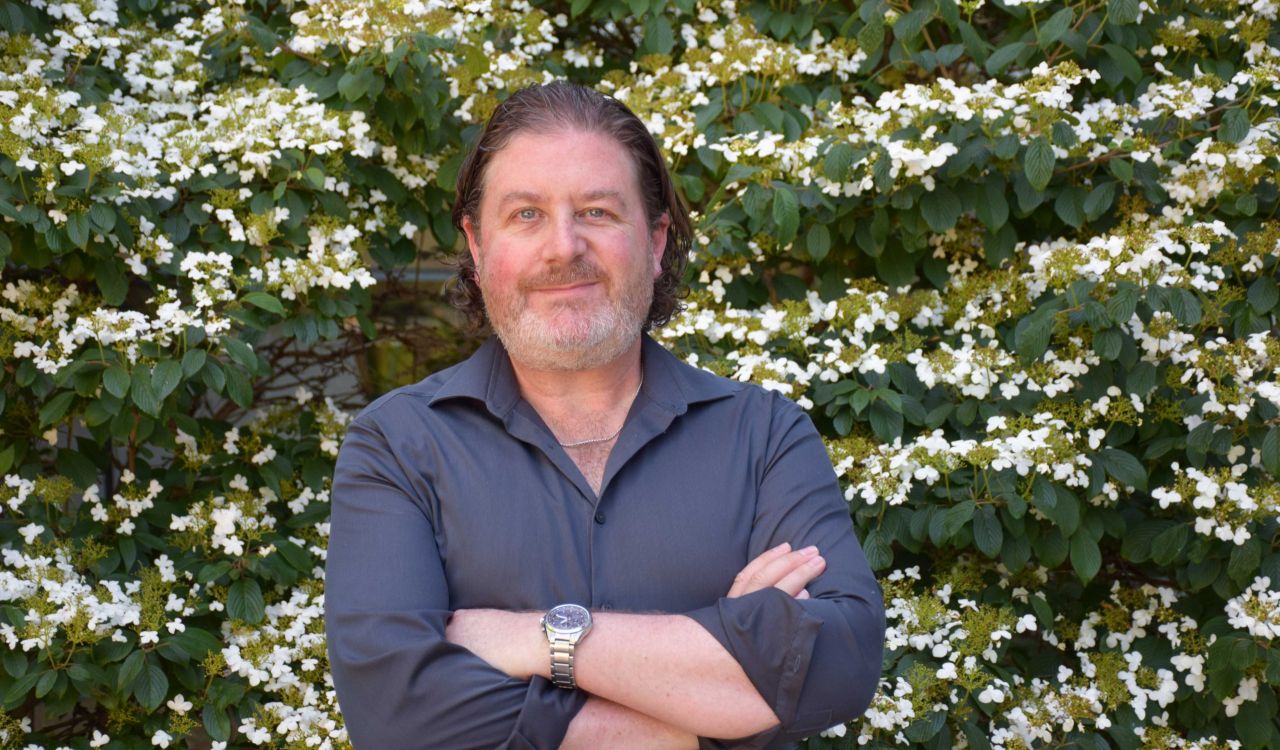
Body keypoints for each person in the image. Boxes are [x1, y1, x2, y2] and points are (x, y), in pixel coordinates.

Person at [325, 81, 884, 750]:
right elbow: (397, 719)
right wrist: (718, 707)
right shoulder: (397, 447)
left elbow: (838, 665)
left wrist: (532, 639)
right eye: (526, 215)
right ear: (477, 247)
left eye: (595, 211)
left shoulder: (764, 436)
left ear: (654, 241)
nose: (564, 247)